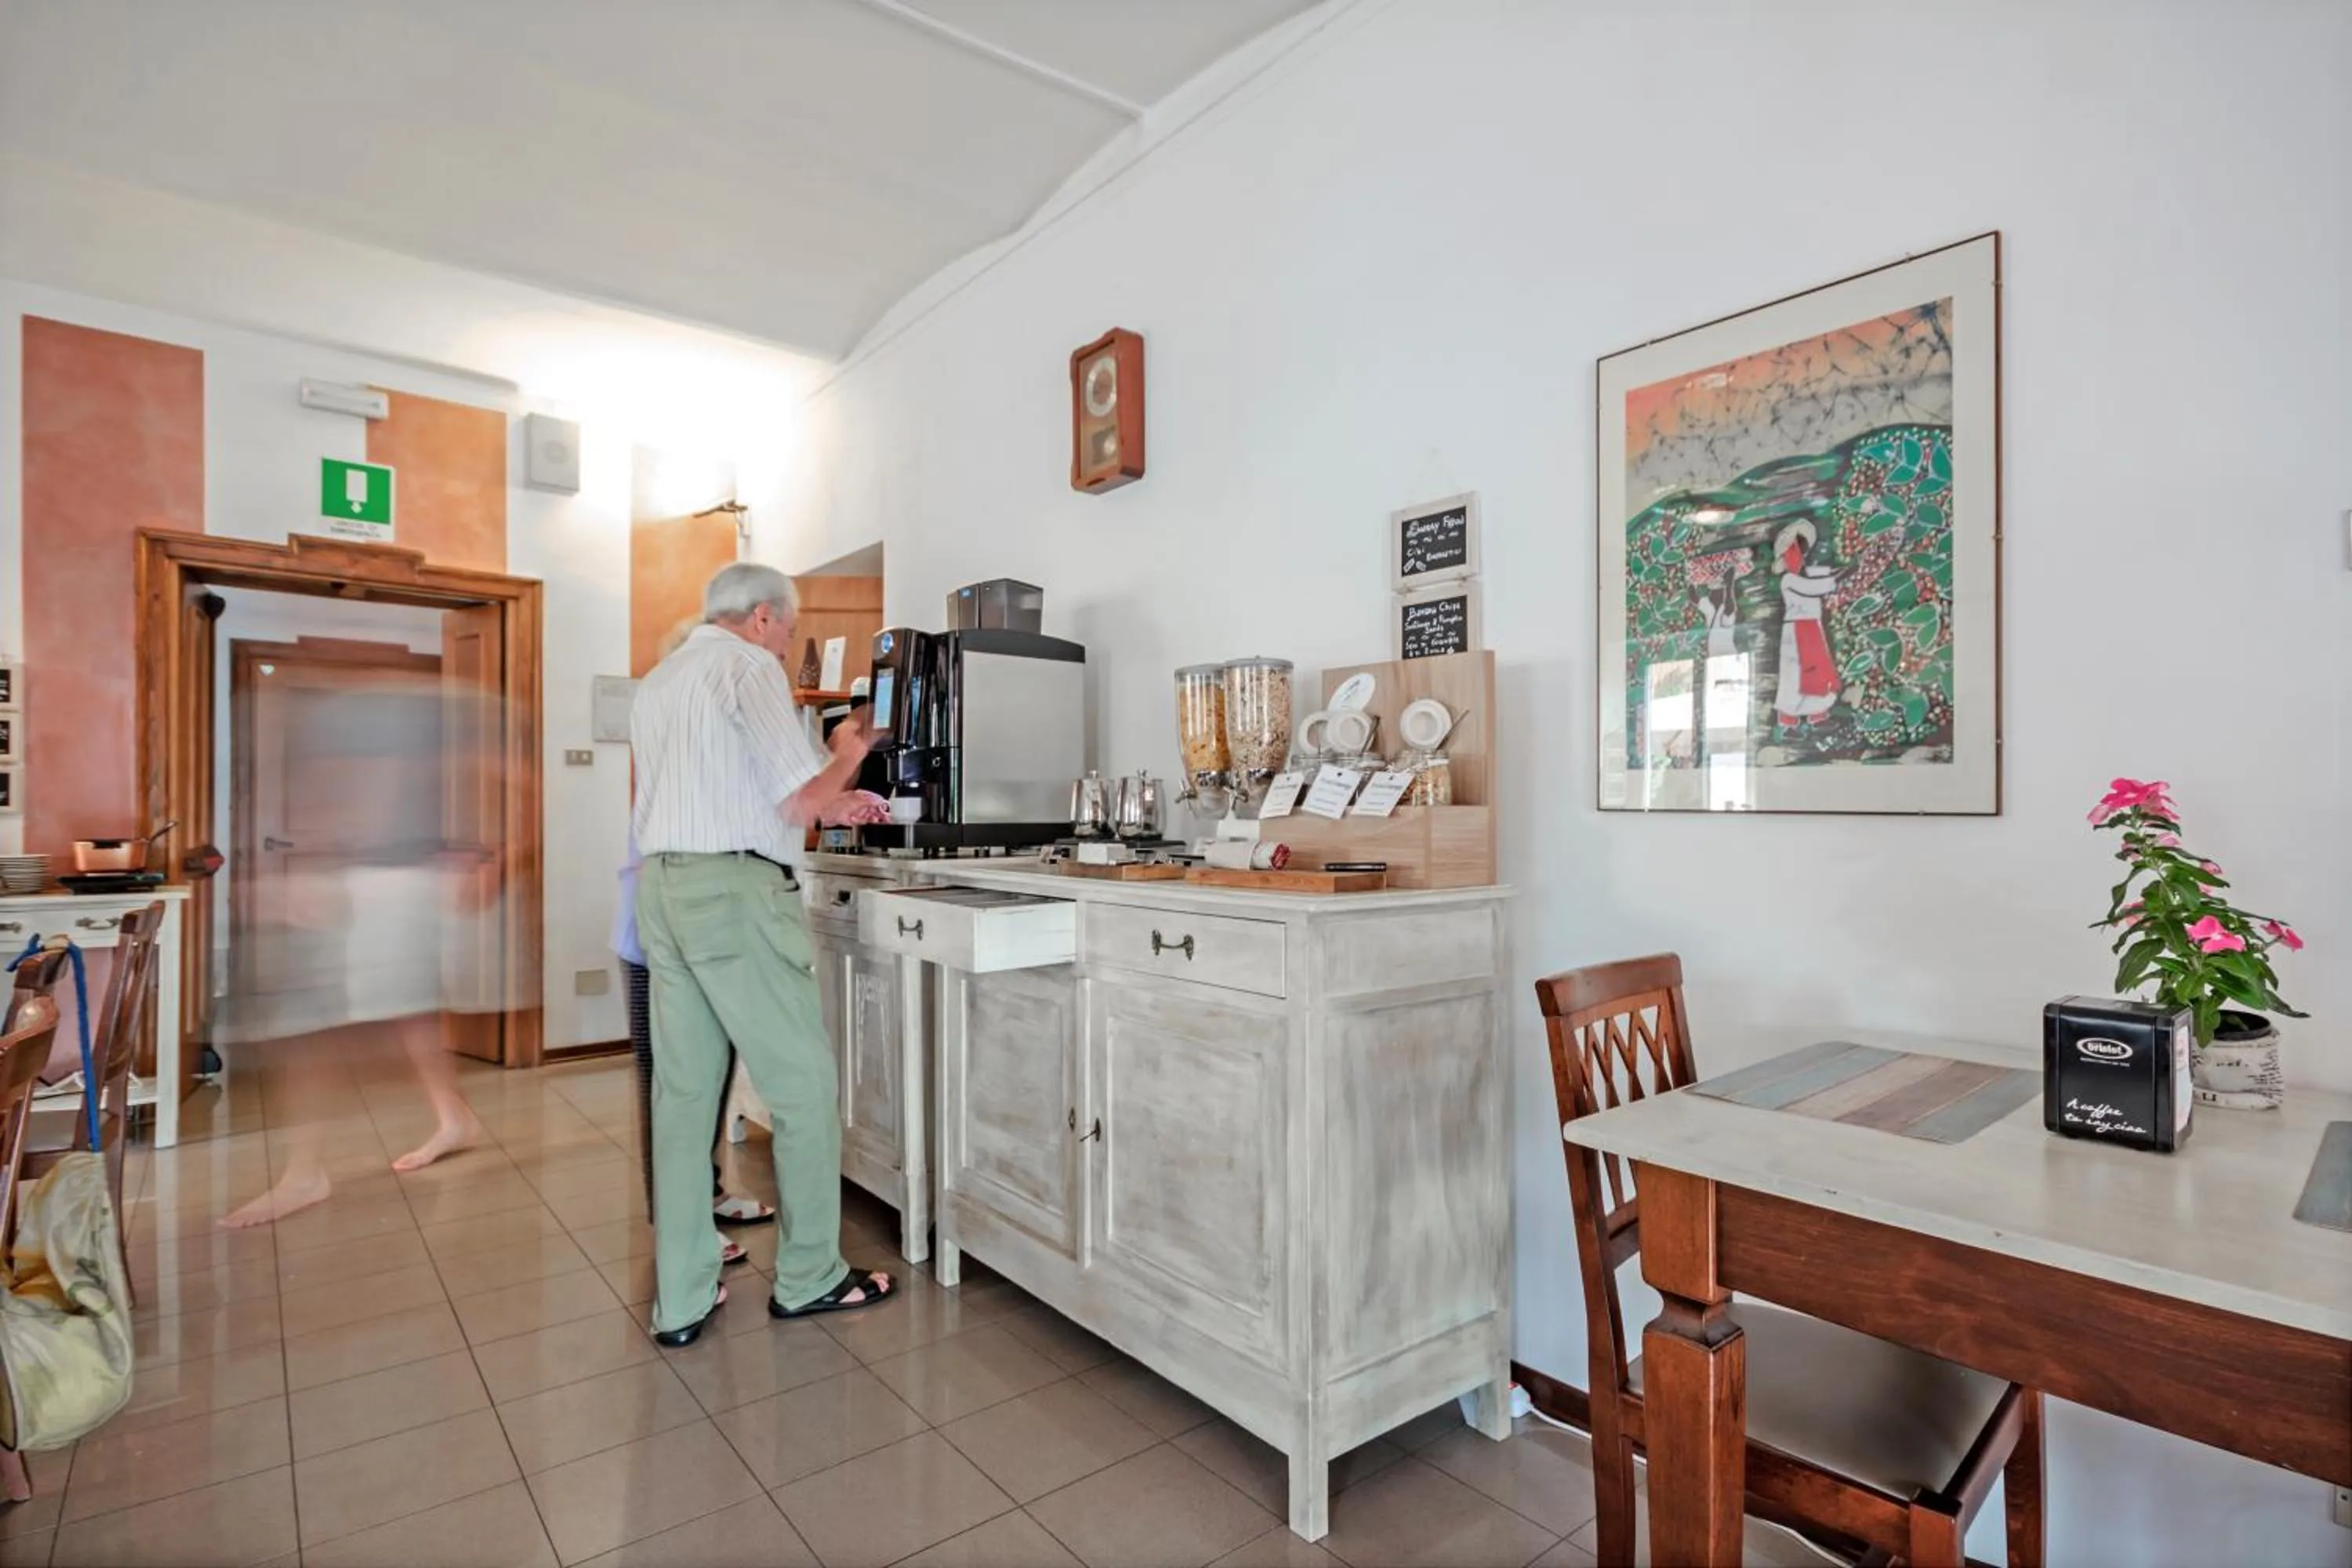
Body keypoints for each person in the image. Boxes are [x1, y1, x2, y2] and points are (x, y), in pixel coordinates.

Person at [630, 561, 896, 1347]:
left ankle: (680, 1296)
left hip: (666, 889)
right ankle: (811, 1274)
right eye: (787, 629)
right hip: (736, 898)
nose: (786, 645)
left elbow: (725, 793)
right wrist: (854, 746)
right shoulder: (748, 668)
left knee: (683, 1097)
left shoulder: (661, 680)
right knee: (804, 1083)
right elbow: (795, 799)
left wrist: (827, 798)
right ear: (762, 618)